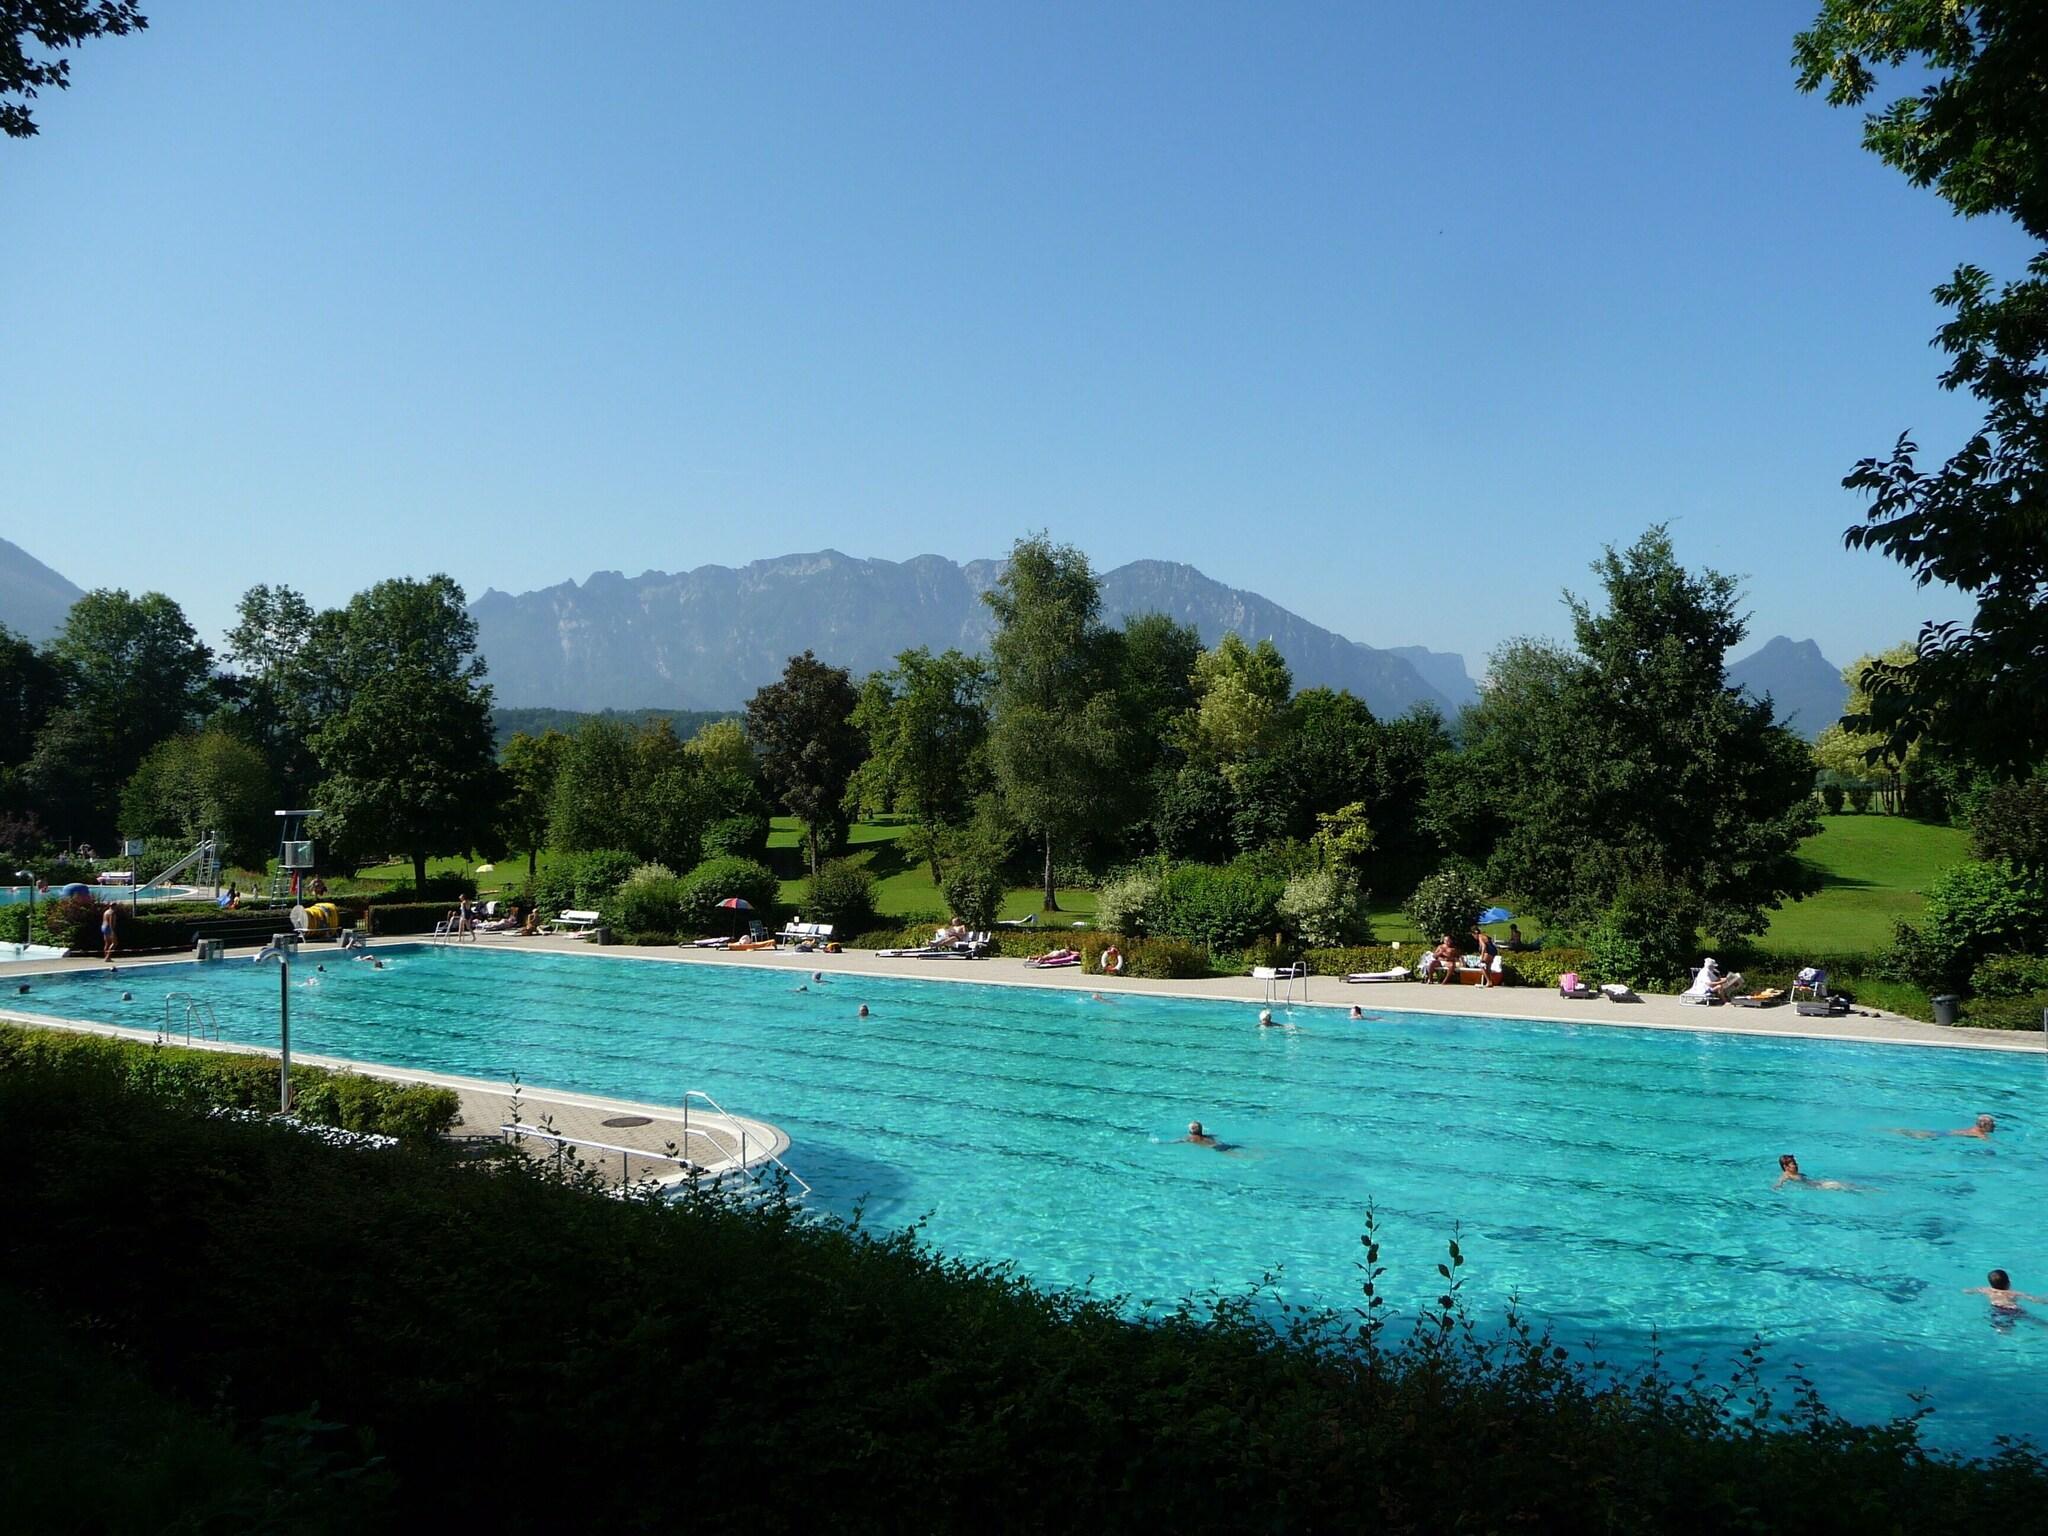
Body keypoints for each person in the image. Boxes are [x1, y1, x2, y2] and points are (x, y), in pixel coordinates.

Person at [1964, 1269, 2047, 1315]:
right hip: (2013, 1309)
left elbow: (1968, 1291)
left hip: (1996, 1308)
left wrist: (1967, 1291)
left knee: (2002, 1327)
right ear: (2009, 1283)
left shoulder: (1987, 1290)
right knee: (2034, 1321)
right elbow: (2035, 1299)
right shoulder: (2013, 1293)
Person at [1774, 1153, 1866, 1192]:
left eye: (1796, 1163)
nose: (1797, 1165)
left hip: (1817, 1183)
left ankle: (1864, 1189)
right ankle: (1867, 1190)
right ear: (1786, 1167)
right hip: (1817, 1187)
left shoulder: (1794, 1174)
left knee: (1844, 1184)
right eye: (1793, 1164)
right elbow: (1779, 1183)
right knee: (1841, 1187)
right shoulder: (1786, 1175)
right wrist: (1777, 1187)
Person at [1892, 1114, 1997, 1140]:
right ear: (1984, 1125)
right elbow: (1989, 1141)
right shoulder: (1979, 1134)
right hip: (1942, 1135)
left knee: (1912, 1133)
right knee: (1916, 1136)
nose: (1994, 1127)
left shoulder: (1973, 1129)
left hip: (1944, 1133)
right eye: (1992, 1124)